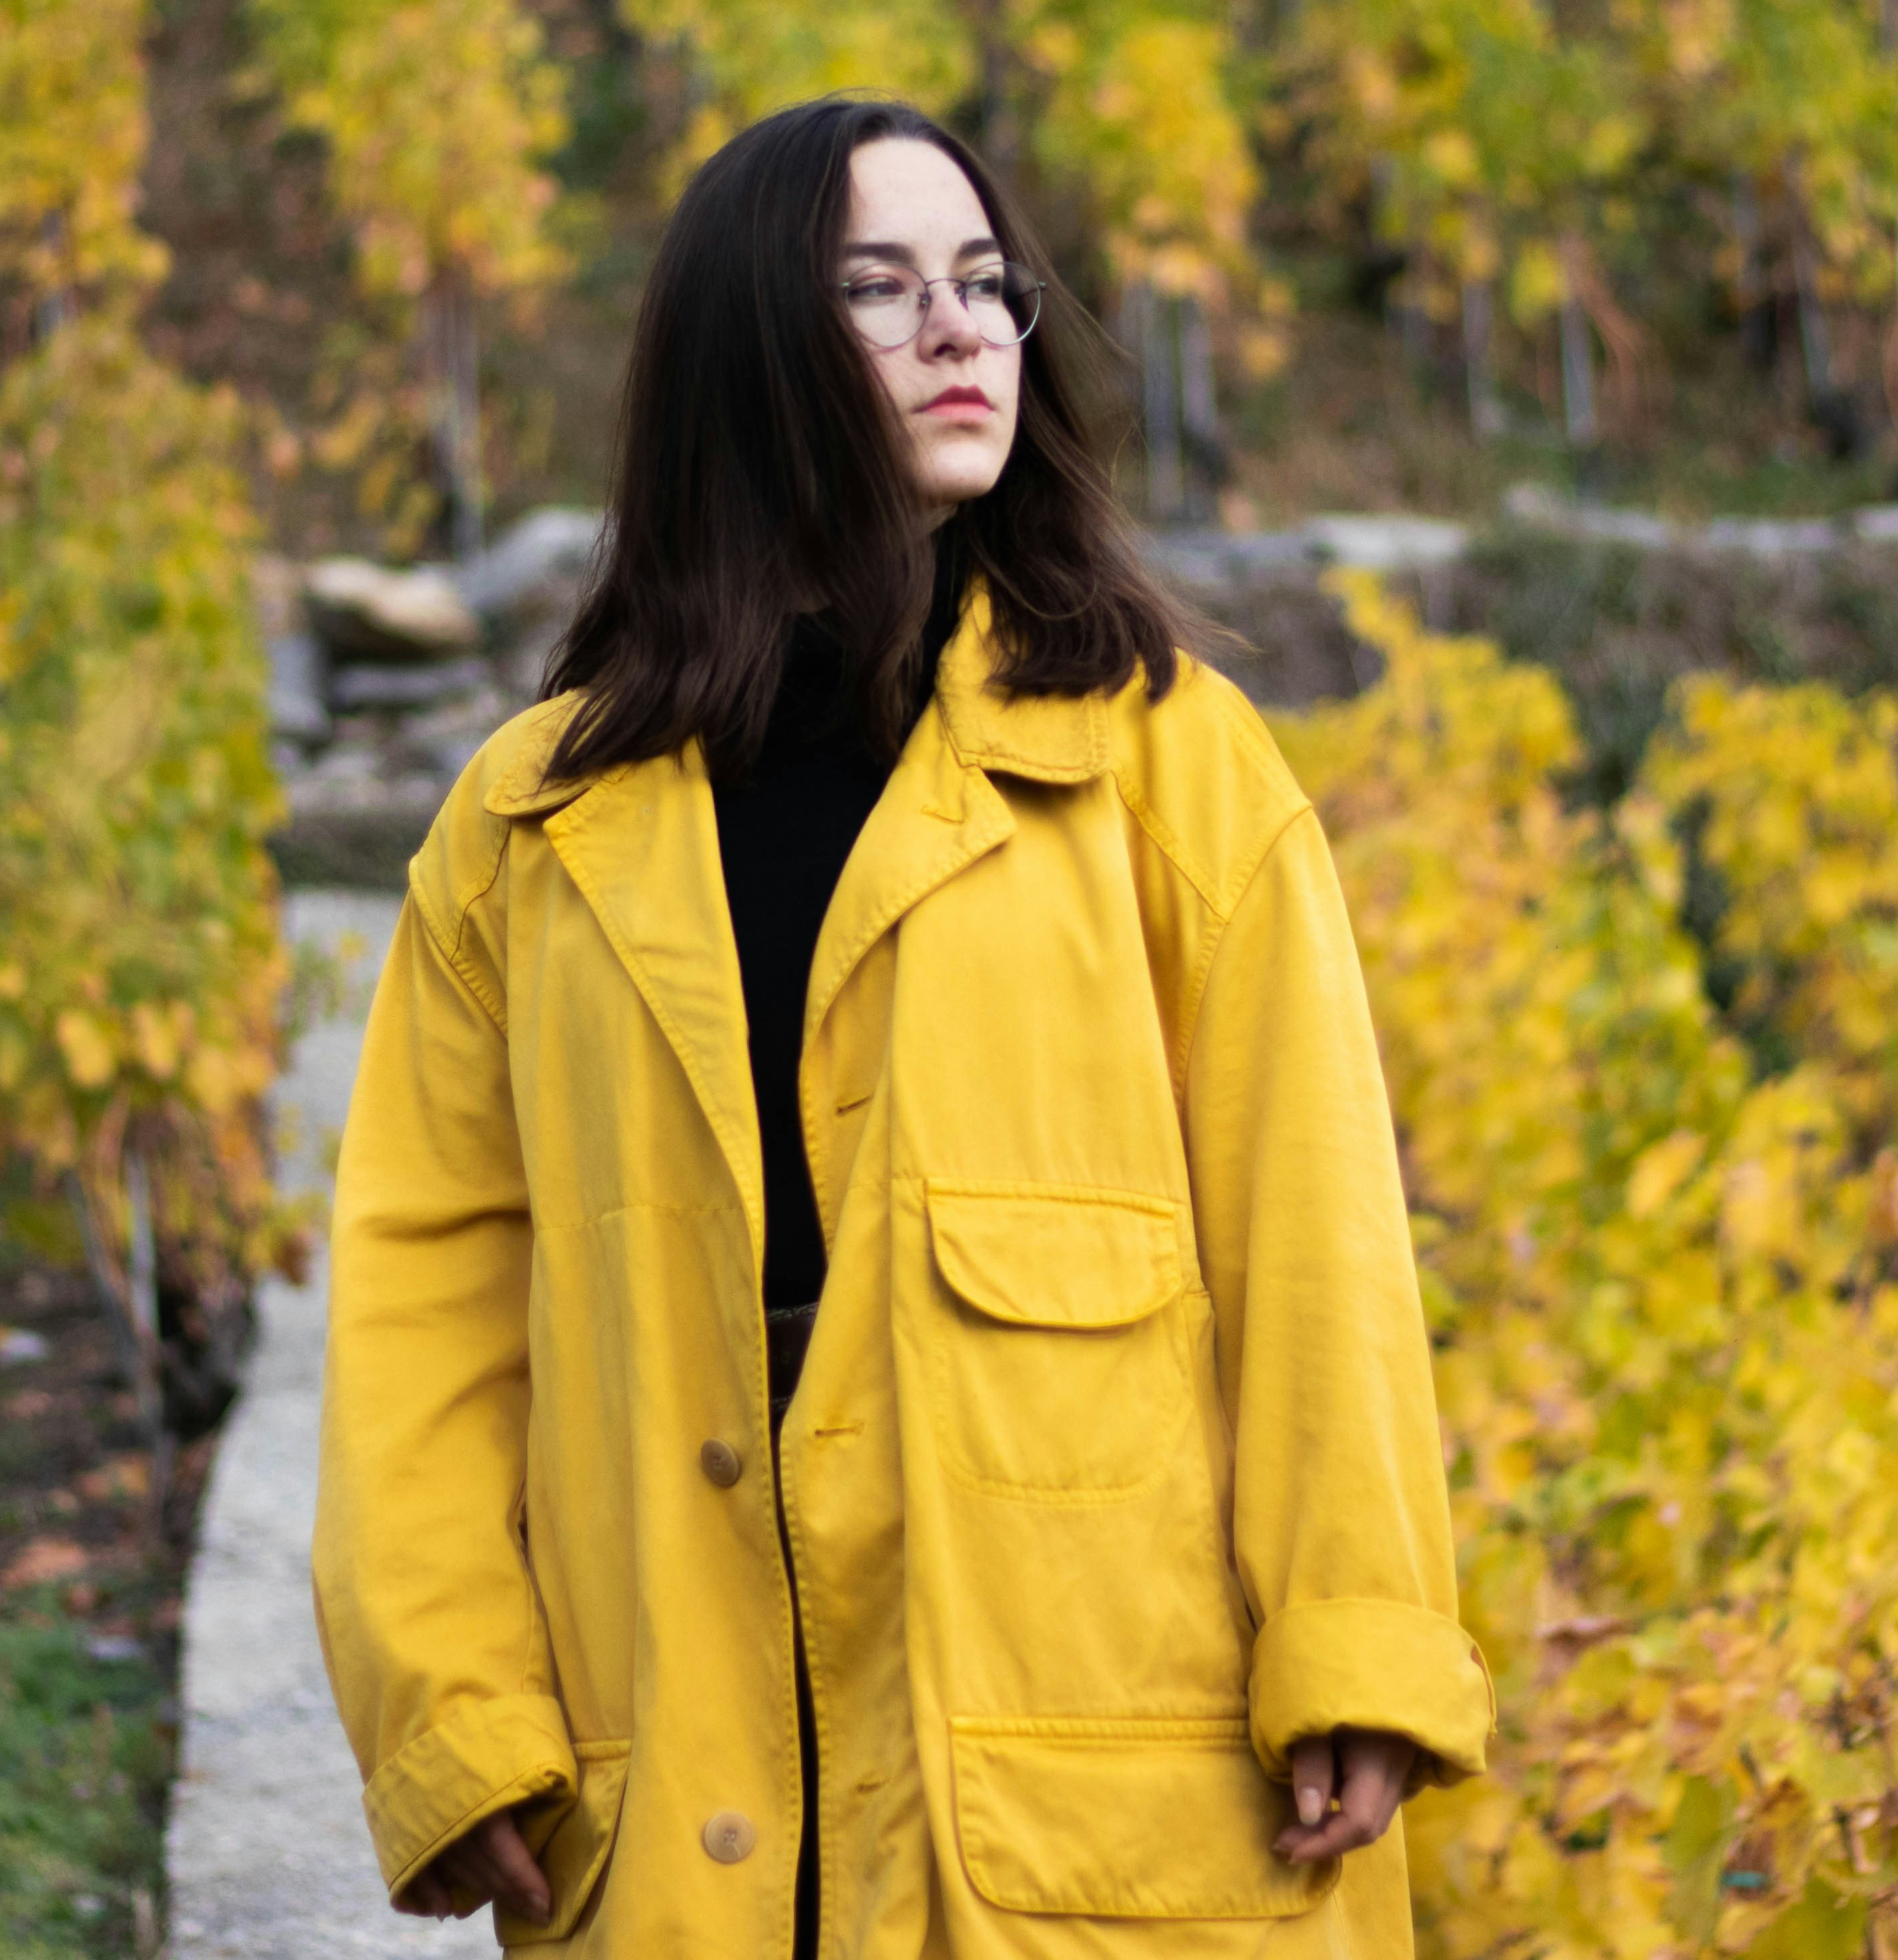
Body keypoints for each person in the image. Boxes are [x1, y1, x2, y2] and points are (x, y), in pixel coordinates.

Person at [313, 95, 1490, 1955]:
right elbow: (426, 1302)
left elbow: (1321, 1239)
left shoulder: (1166, 766)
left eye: (983, 282)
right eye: (878, 291)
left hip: (1097, 1764)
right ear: (744, 357)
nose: (959, 331)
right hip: (689, 1758)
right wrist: (450, 1708)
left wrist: (1357, 1634)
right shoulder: (530, 832)